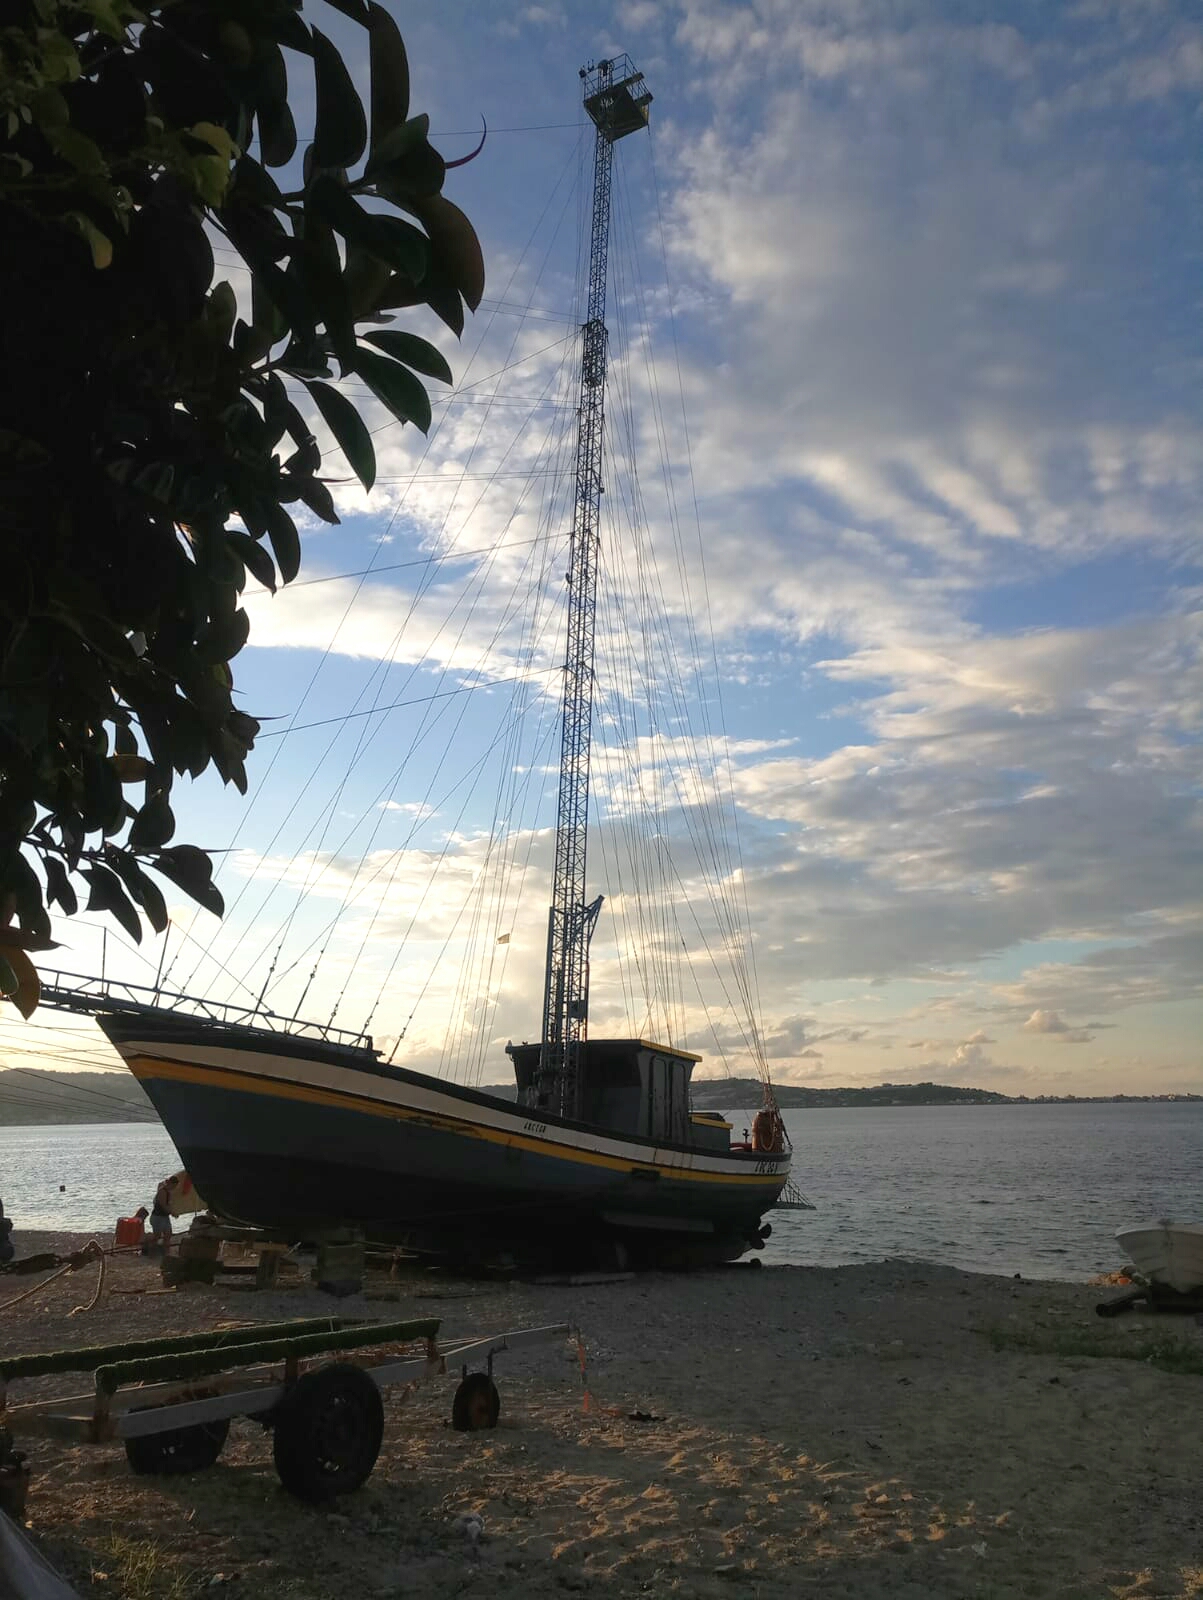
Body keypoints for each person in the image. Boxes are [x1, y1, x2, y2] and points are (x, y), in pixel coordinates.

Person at [148, 1181, 173, 1254]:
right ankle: (150, 1251)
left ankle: (166, 1252)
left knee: (168, 1234)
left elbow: (168, 1205)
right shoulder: (162, 1191)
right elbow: (163, 1205)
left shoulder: (168, 1192)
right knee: (157, 1236)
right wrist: (172, 1213)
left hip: (164, 1217)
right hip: (158, 1217)